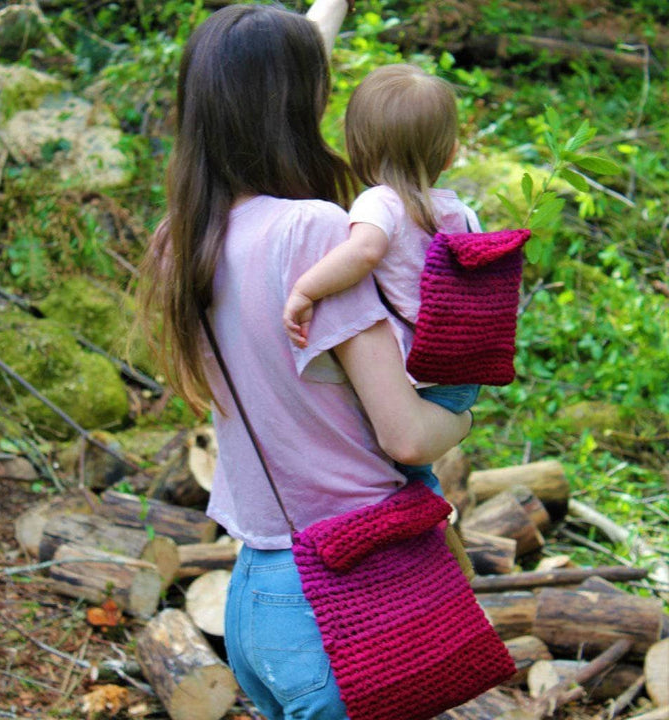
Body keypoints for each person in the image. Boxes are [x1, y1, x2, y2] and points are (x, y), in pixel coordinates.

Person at [138, 4, 472, 719]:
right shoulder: (314, 230)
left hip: (258, 600)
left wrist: (326, 12)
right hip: (348, 599)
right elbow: (408, 436)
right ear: (301, 104)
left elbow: (252, 83)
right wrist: (464, 415)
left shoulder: (180, 241)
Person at [283, 64, 481, 496]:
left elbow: (365, 251)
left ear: (356, 149)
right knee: (414, 476)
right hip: (462, 373)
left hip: (416, 376)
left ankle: (421, 544)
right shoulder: (463, 214)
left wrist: (306, 288)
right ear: (449, 154)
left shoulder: (379, 203)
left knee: (398, 481)